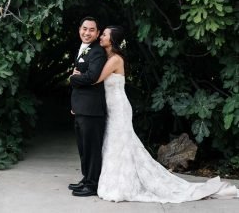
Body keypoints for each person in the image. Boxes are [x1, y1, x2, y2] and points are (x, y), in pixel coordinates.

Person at [74, 25, 239, 203]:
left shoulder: (115, 59)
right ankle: (109, 180)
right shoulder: (107, 56)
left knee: (119, 144)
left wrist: (76, 75)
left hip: (118, 107)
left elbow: (95, 79)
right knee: (113, 145)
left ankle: (120, 185)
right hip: (109, 107)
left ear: (112, 40)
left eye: (104, 35)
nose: (101, 37)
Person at [68, 16, 107, 197]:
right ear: (79, 29)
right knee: (83, 147)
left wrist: (73, 78)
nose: (87, 32)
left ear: (97, 33)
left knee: (91, 149)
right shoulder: (85, 49)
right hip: (82, 107)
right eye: (85, 28)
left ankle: (92, 185)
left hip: (91, 110)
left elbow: (92, 77)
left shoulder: (97, 52)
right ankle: (86, 178)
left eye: (92, 30)